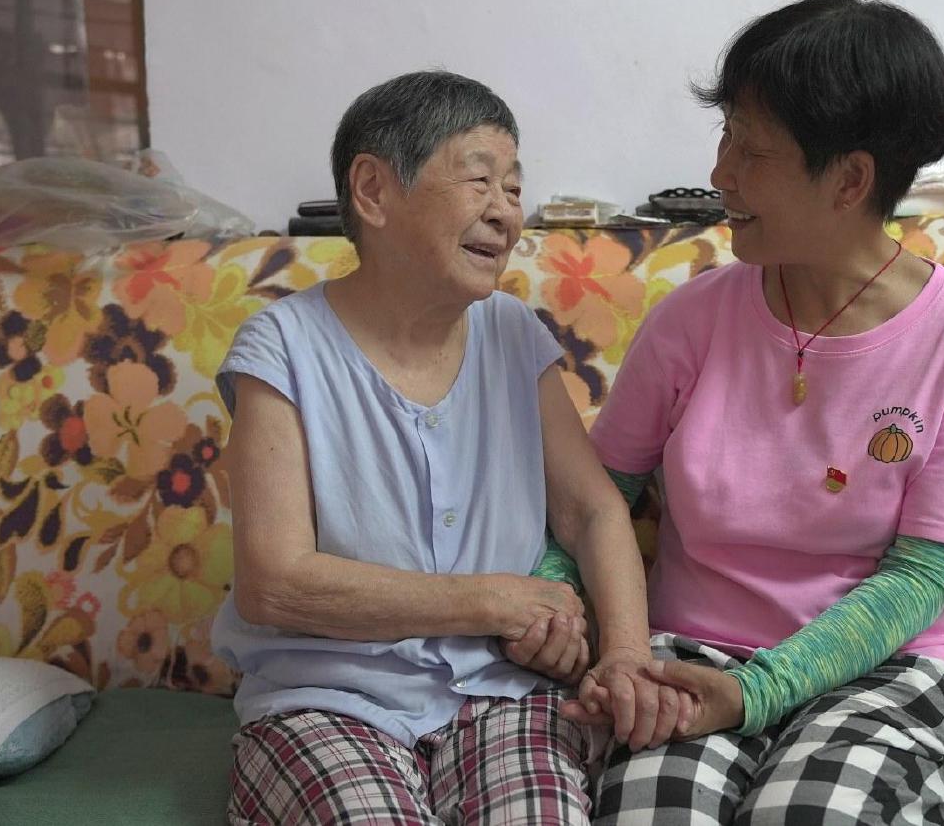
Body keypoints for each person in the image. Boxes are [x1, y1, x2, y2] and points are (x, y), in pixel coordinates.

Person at [554, 0, 944, 824]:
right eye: (725, 136)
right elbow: (594, 499)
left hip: (892, 663)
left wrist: (758, 692)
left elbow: (922, 578)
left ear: (850, 180)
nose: (721, 174)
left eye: (753, 150)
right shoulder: (691, 319)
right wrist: (553, 605)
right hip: (692, 655)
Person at [212, 71, 682, 825]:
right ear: (373, 191)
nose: (505, 211)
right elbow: (274, 583)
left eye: (514, 187)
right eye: (479, 179)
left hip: (503, 694)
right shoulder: (283, 348)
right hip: (329, 699)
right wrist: (494, 600)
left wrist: (623, 653)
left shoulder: (513, 333)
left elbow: (593, 512)